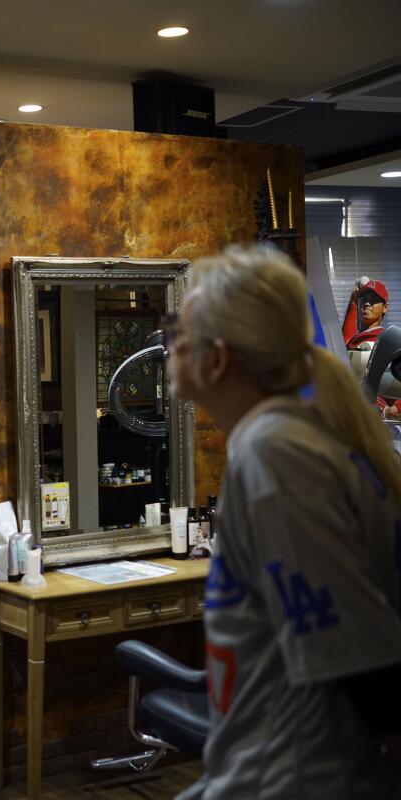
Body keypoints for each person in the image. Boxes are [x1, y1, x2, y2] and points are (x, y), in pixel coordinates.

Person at [168, 246, 401, 799]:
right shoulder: (289, 436)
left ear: (219, 358)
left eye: (178, 329)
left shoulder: (277, 455)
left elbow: (366, 666)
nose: (169, 342)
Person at [340, 276, 401, 417]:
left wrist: (395, 408)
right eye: (363, 299)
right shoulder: (355, 340)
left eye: (373, 300)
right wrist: (354, 300)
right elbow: (344, 343)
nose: (367, 303)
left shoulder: (389, 341)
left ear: (385, 308)